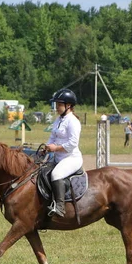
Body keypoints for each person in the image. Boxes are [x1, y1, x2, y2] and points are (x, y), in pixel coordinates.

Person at [45, 88, 82, 218]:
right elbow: (52, 137)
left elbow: (72, 144)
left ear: (69, 106)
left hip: (71, 158)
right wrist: (47, 146)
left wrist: (55, 148)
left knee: (56, 174)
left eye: (59, 104)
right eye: (56, 104)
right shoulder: (58, 120)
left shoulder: (73, 121)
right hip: (58, 157)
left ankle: (60, 207)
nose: (57, 107)